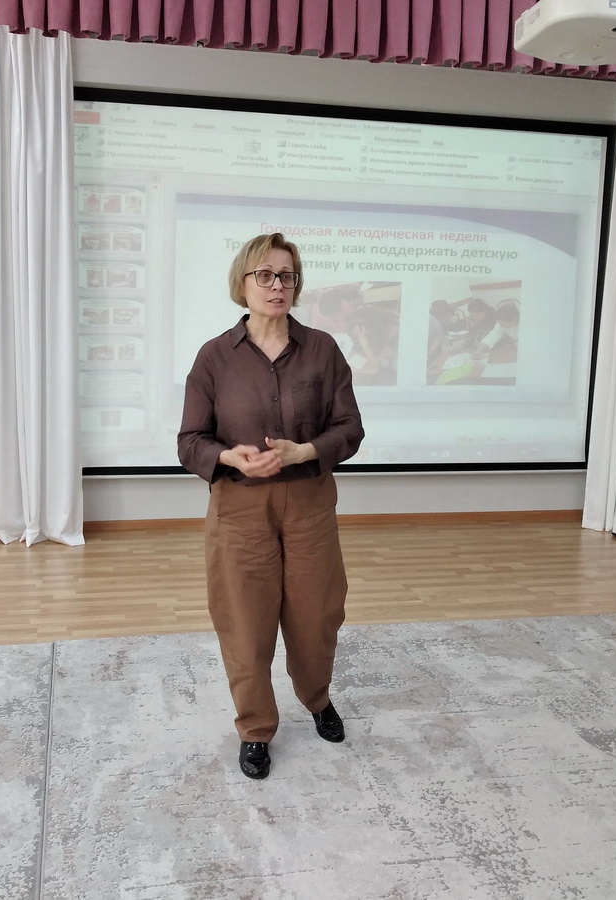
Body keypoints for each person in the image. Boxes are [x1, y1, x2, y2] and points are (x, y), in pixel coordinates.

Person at [178, 232, 365, 780]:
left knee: (317, 615)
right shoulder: (214, 357)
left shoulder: (323, 349)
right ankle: (255, 728)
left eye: (286, 276)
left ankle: (317, 698)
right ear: (243, 282)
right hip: (239, 509)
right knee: (244, 622)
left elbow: (350, 428)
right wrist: (228, 457)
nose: (276, 285)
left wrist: (305, 450)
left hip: (309, 504)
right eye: (264, 275)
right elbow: (189, 441)